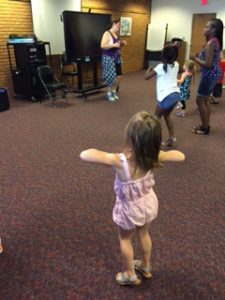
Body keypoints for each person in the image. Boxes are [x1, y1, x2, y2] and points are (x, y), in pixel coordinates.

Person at [80, 111, 185, 286]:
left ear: (130, 138)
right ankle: (145, 265)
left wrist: (111, 156)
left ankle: (129, 274)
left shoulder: (120, 162)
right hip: (148, 203)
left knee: (125, 239)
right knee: (144, 233)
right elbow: (180, 156)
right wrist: (161, 153)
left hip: (129, 209)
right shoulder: (154, 157)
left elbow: (85, 154)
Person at [190, 18, 224, 134]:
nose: (204, 29)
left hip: (209, 75)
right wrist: (200, 54)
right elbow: (215, 58)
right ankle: (206, 125)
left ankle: (205, 128)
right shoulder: (215, 41)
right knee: (205, 100)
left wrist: (195, 59)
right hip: (214, 74)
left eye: (207, 27)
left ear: (213, 30)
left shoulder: (210, 43)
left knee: (200, 100)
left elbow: (208, 65)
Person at [145, 44, 180, 147]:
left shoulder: (160, 67)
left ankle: (156, 141)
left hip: (165, 97)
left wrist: (149, 69)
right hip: (175, 95)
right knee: (167, 115)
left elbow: (146, 77)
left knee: (156, 119)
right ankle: (172, 138)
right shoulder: (176, 64)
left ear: (163, 55)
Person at [101, 20, 121, 101]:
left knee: (118, 77)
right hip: (108, 57)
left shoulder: (116, 34)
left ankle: (113, 91)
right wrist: (114, 45)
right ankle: (108, 93)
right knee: (110, 76)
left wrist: (120, 45)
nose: (119, 27)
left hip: (116, 57)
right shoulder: (107, 33)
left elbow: (116, 46)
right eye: (118, 25)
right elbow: (102, 45)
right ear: (114, 24)